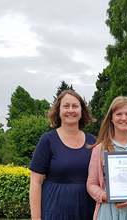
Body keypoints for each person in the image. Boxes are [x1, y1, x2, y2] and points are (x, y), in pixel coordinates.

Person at [29, 90, 97, 220]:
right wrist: (36, 218)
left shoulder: (93, 141)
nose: (70, 110)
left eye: (75, 106)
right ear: (58, 111)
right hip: (54, 210)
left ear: (82, 111)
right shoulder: (48, 140)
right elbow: (36, 182)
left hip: (87, 211)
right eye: (66, 106)